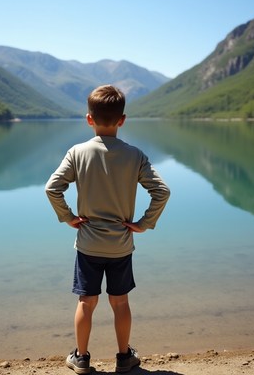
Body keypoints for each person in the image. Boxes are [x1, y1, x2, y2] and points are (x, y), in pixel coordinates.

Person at [45, 85, 170, 374]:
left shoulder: (77, 152)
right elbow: (162, 192)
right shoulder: (135, 155)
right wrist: (143, 223)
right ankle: (125, 358)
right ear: (122, 120)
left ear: (89, 119)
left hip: (88, 244)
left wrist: (69, 217)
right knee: (121, 301)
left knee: (86, 302)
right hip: (121, 245)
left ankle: (81, 358)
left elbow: (52, 188)